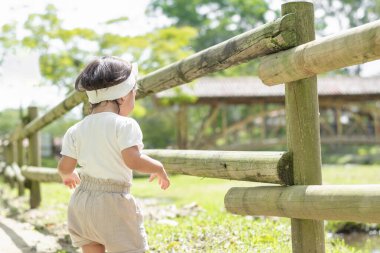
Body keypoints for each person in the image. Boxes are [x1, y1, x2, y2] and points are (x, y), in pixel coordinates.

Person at [58, 56, 170, 253]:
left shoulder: (75, 129)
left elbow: (65, 167)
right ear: (123, 96)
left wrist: (68, 176)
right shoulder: (125, 125)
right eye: (134, 94)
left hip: (81, 203)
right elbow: (133, 160)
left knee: (91, 247)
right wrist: (158, 167)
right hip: (113, 204)